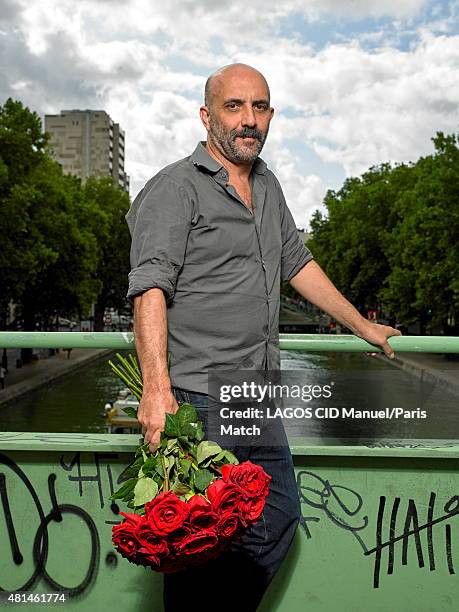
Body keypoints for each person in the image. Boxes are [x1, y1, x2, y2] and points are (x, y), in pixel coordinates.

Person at [125, 63, 401, 611]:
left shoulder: (268, 184)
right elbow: (149, 289)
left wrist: (363, 325)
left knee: (274, 516)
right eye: (234, 107)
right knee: (197, 541)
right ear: (207, 116)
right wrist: (156, 390)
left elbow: (297, 262)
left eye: (260, 107)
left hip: (253, 394)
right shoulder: (175, 188)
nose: (248, 120)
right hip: (200, 397)